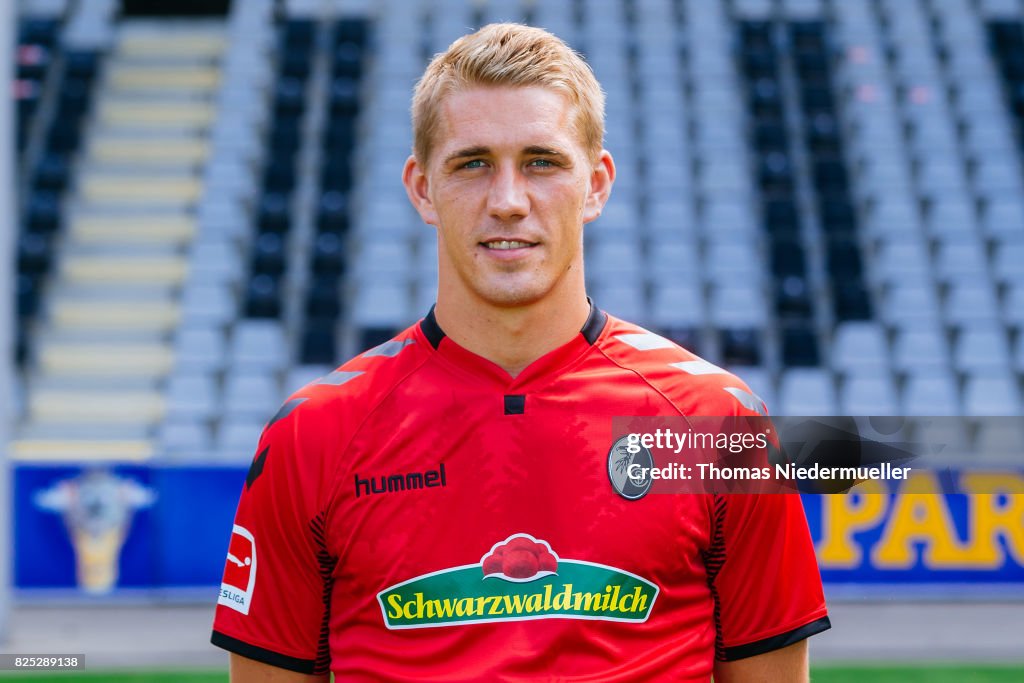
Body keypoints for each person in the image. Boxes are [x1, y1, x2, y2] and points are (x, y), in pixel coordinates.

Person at [211, 22, 830, 682]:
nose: (508, 201)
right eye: (473, 163)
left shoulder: (717, 425)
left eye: (542, 161)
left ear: (596, 183)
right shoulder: (313, 435)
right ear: (423, 188)